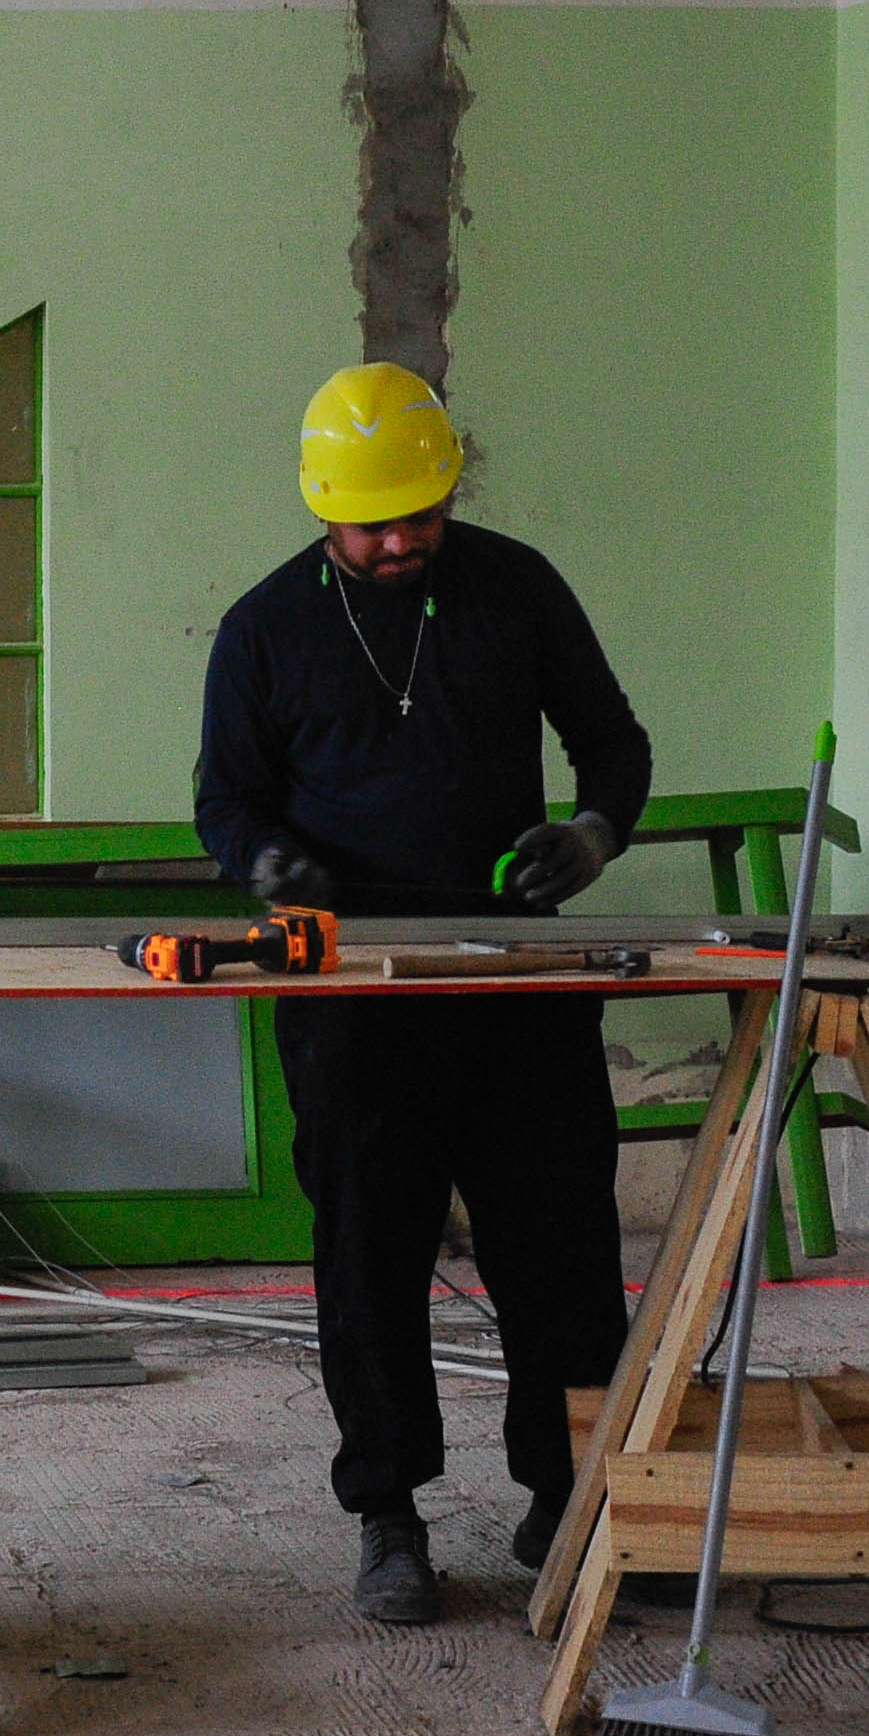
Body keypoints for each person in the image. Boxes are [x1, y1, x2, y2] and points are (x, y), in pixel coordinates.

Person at [194, 363, 651, 1624]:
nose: (399, 542)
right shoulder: (264, 628)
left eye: (420, 516)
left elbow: (612, 740)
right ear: (320, 510)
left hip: (514, 978)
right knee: (366, 1258)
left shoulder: (516, 586)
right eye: (373, 524)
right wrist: (267, 866)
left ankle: (570, 1502)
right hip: (351, 995)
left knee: (558, 1253)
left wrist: (594, 836)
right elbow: (222, 801)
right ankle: (387, 1517)